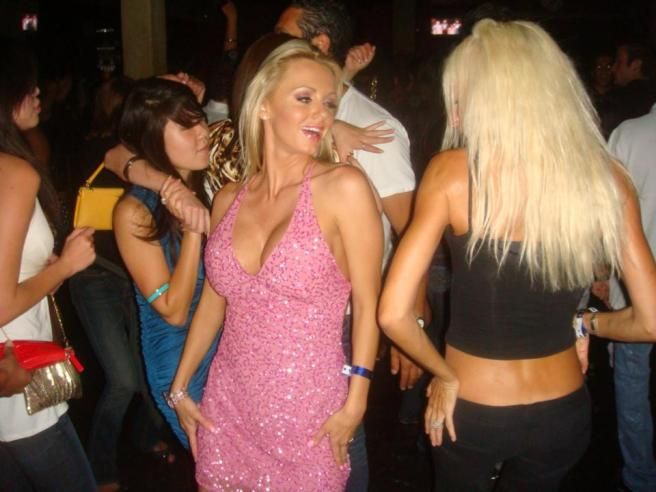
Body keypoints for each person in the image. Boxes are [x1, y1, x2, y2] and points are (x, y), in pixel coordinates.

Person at [379, 19, 656, 491]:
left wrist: (442, 375)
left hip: (473, 410)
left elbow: (392, 314)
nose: (455, 115)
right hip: (563, 414)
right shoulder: (607, 178)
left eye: (462, 99)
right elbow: (650, 322)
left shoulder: (453, 173)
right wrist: (585, 324)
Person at [168, 39, 382, 491]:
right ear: (263, 105)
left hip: (310, 416)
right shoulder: (228, 198)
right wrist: (181, 386)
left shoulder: (343, 188)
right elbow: (215, 300)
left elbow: (368, 303)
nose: (321, 114)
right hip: (228, 406)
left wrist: (357, 401)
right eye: (304, 98)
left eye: (329, 103)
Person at [69, 75, 176, 492]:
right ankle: (100, 468)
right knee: (124, 381)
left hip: (137, 278)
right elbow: (118, 161)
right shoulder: (100, 149)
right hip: (96, 275)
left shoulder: (156, 153)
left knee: (151, 371)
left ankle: (146, 436)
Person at [0, 40, 97, 492]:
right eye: (27, 84)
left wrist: (45, 270)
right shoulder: (15, 173)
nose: (38, 92)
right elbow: (2, 303)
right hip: (17, 374)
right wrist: (65, 267)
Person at [112, 78, 219, 450]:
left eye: (200, 119)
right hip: (178, 362)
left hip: (228, 348)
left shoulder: (211, 185)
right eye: (186, 127)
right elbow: (173, 311)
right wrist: (193, 233)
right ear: (153, 139)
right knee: (221, 467)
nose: (203, 132)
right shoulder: (134, 211)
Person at [607, 107, 656, 492]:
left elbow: (604, 211)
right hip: (634, 289)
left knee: (633, 386)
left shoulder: (630, 133)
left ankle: (640, 479)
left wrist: (600, 271)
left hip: (634, 291)